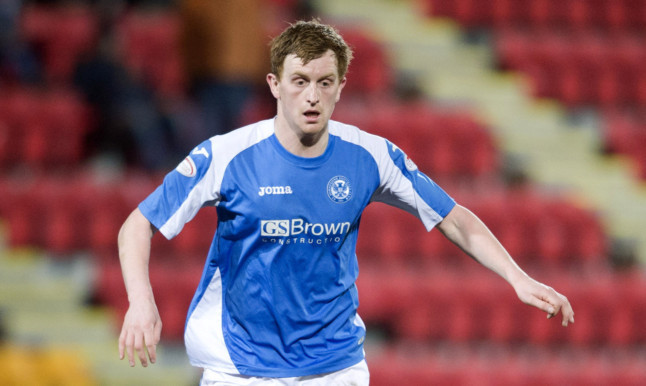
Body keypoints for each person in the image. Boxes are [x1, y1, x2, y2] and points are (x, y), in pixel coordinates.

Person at [117, 19, 574, 385]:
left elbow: (454, 218)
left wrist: (517, 277)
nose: (311, 96)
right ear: (274, 84)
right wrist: (141, 302)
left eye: (324, 81)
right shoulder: (225, 155)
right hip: (241, 368)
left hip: (335, 366)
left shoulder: (370, 156)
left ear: (341, 86)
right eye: (299, 81)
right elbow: (137, 224)